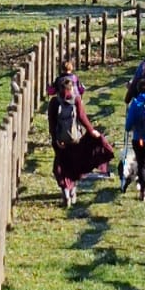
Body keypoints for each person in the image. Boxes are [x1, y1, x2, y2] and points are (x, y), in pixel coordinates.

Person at [46, 74, 113, 207]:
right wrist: (92, 131)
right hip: (75, 139)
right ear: (71, 89)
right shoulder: (76, 100)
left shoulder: (54, 102)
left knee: (61, 166)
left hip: (60, 141)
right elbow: (82, 118)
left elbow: (52, 123)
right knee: (74, 165)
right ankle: (72, 190)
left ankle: (65, 189)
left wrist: (55, 139)